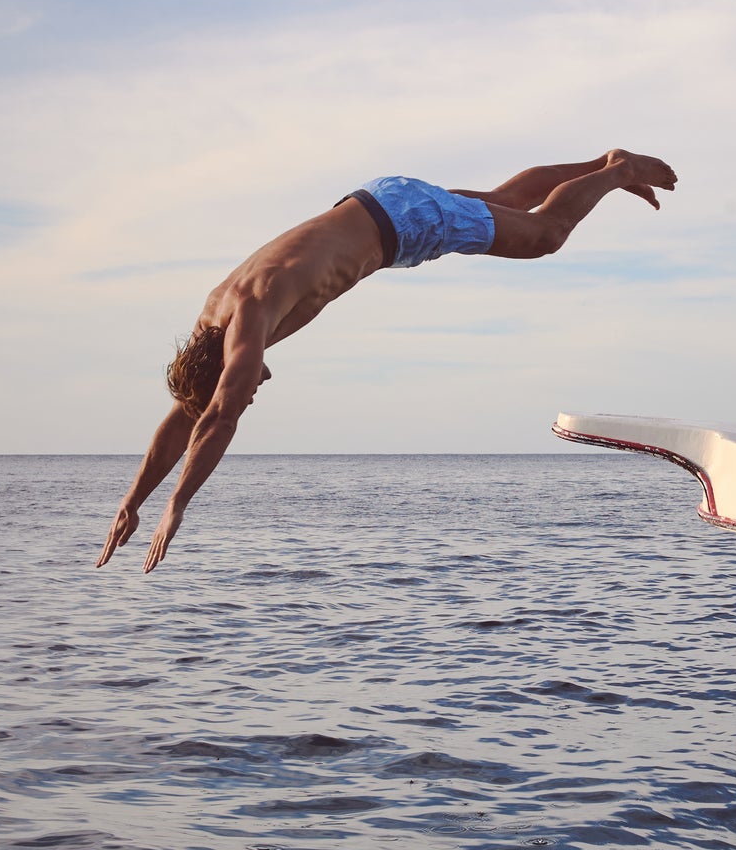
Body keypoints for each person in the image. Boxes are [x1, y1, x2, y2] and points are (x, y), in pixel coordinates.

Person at [98, 151, 677, 573]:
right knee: (504, 200)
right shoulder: (214, 319)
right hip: (379, 196)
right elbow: (186, 414)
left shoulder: (246, 323)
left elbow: (218, 417)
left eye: (243, 387)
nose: (251, 392)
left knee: (545, 234)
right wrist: (133, 501)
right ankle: (602, 162)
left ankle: (615, 173)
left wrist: (176, 506)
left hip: (403, 227)